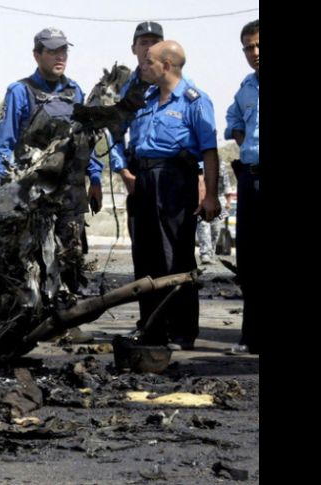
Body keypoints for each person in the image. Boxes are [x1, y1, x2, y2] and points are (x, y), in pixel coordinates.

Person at [0, 27, 101, 343]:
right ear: (37, 55)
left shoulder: (75, 92)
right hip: (33, 192)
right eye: (52, 51)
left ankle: (67, 319)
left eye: (64, 50)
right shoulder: (20, 92)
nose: (60, 56)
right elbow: (4, 141)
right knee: (31, 257)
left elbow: (86, 139)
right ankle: (32, 319)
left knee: (70, 253)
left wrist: (95, 178)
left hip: (70, 192)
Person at [128, 40, 221, 351]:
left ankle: (181, 331)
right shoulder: (148, 99)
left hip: (174, 180)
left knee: (175, 257)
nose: (143, 65)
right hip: (144, 179)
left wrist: (210, 195)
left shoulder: (195, 101)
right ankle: (151, 327)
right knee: (145, 256)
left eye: (149, 61)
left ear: (166, 65)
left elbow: (209, 152)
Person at [98, 21, 165, 242]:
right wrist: (123, 171)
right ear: (134, 49)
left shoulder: (179, 85)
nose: (149, 48)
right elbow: (115, 132)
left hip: (172, 174)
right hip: (138, 174)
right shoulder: (127, 90)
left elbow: (198, 135)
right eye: (144, 43)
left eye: (155, 43)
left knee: (172, 253)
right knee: (143, 248)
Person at [224, 19, 259, 355]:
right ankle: (251, 337)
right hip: (251, 178)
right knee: (249, 260)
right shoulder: (246, 87)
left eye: (259, 45)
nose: (255, 52)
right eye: (249, 47)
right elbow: (233, 119)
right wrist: (244, 141)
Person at [196, 160, 235, 264]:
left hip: (219, 199)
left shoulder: (221, 164)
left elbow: (226, 184)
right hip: (202, 198)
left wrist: (228, 202)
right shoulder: (198, 162)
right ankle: (205, 254)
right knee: (203, 226)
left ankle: (211, 253)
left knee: (216, 230)